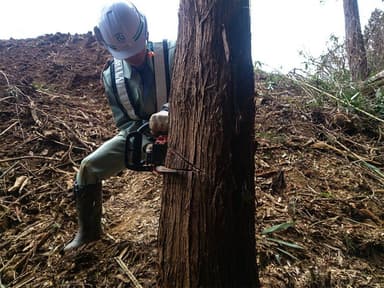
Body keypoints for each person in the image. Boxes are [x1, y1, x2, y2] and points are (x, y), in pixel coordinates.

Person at [64, 0, 174, 251]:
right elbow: (125, 124)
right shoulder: (111, 77)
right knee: (88, 168)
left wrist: (172, 113)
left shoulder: (174, 53)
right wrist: (145, 145)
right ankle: (88, 232)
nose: (133, 57)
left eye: (136, 49)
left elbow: (198, 97)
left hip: (186, 130)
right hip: (143, 137)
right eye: (127, 54)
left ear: (146, 31)